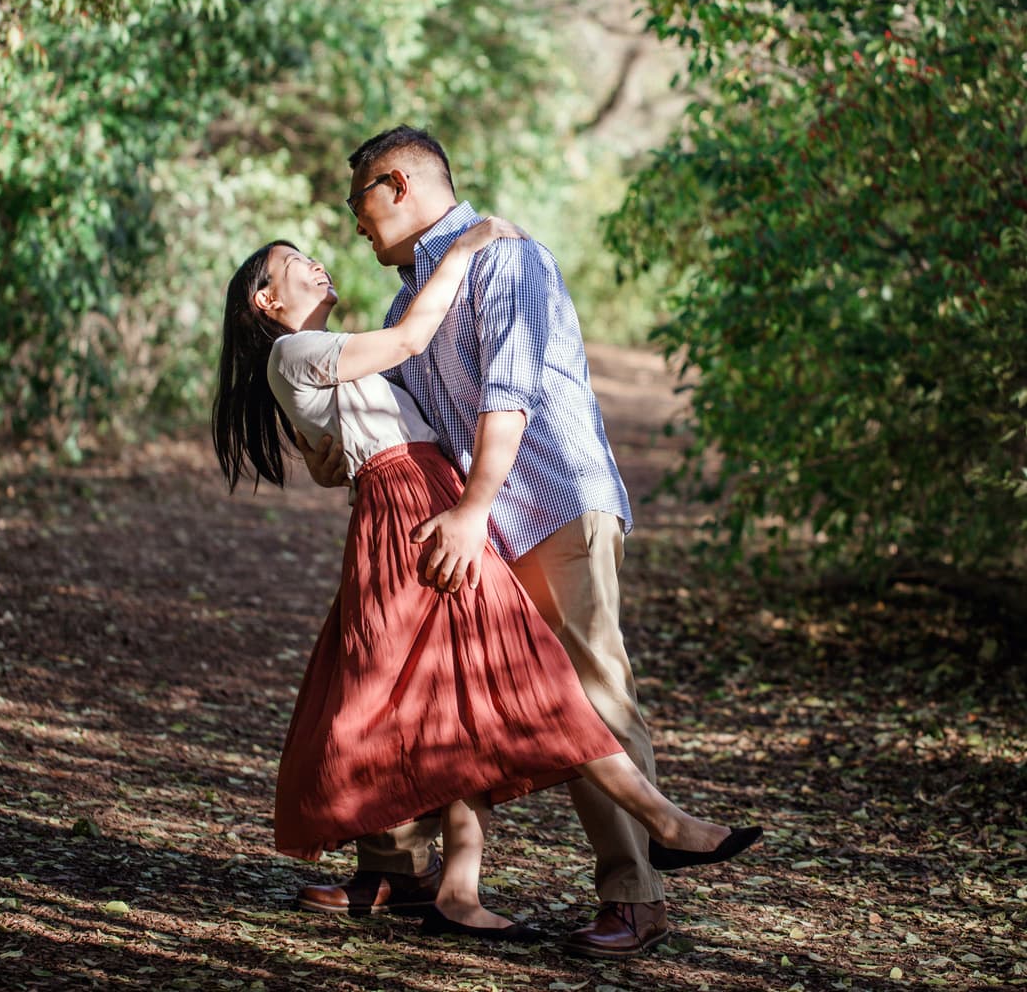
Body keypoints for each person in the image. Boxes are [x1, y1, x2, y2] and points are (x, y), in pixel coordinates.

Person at [211, 221, 763, 944]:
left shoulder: (324, 359)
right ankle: (661, 822)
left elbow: (339, 445)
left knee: (475, 693)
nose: (318, 263)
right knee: (519, 680)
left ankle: (461, 887)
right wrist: (466, 250)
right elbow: (411, 340)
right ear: (263, 297)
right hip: (415, 511)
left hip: (431, 502)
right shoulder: (296, 350)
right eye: (294, 263)